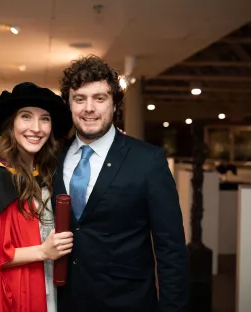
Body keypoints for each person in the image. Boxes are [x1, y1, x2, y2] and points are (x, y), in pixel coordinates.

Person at [53, 55, 188, 312]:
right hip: (65, 301)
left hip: (127, 302)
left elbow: (171, 250)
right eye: (79, 99)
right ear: (69, 105)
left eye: (99, 98)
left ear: (114, 105)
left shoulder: (148, 161)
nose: (88, 108)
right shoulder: (53, 158)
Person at [0, 82, 74, 312]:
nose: (36, 128)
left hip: (51, 286)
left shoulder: (47, 173)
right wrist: (42, 251)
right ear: (11, 124)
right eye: (26, 116)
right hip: (17, 291)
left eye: (45, 119)